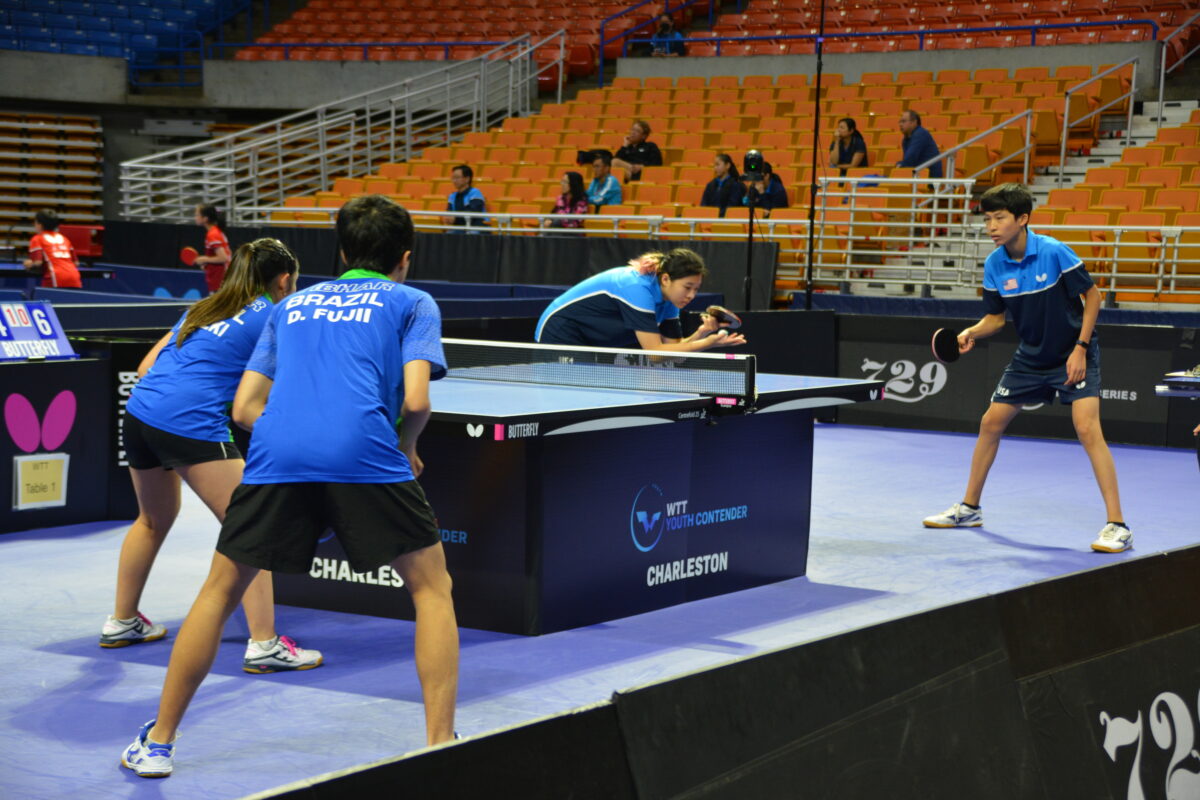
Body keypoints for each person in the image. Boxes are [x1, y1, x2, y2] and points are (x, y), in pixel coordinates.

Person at [120, 196, 458, 779]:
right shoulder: (413, 302)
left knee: (219, 590)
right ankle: (439, 743)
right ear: (404, 258)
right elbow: (418, 400)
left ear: (343, 252)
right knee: (431, 589)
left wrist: (298, 429)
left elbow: (245, 407)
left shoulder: (291, 305)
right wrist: (403, 449)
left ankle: (160, 742)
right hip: (366, 453)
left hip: (279, 453)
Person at [106, 237, 323, 674]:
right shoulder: (278, 314)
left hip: (141, 411)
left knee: (151, 519)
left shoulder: (204, 307)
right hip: (188, 421)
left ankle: (123, 621)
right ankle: (264, 645)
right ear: (284, 281)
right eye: (294, 282)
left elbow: (148, 367)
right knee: (253, 526)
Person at [922, 183, 1130, 553]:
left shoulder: (1053, 252)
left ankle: (1118, 525)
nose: (991, 226)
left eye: (999, 218)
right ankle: (969, 508)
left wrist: (1081, 348)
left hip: (1073, 351)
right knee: (991, 422)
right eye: (987, 219)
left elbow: (1093, 296)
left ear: (1022, 219)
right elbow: (995, 319)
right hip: (1030, 358)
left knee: (1087, 429)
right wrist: (971, 332)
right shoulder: (994, 264)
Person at [535, 248, 747, 352]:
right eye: (687, 287)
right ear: (666, 279)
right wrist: (706, 342)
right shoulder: (637, 288)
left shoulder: (670, 302)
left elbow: (672, 350)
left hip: (589, 338)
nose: (691, 296)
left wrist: (704, 334)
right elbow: (655, 353)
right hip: (560, 330)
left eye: (696, 289)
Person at [23, 209, 82, 288]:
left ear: (39, 224)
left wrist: (28, 264)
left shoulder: (37, 239)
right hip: (74, 279)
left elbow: (38, 263)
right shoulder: (64, 238)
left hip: (55, 279)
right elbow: (76, 263)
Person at [192, 204, 231, 295]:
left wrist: (204, 259)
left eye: (197, 215)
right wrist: (208, 263)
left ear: (205, 219)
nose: (195, 217)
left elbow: (223, 258)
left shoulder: (213, 234)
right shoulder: (216, 231)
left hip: (220, 279)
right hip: (220, 277)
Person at [897, 110, 943, 179]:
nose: (900, 124)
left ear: (914, 122)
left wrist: (900, 165)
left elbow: (910, 159)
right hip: (918, 174)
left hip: (930, 178)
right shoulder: (906, 139)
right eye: (900, 122)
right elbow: (907, 161)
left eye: (903, 121)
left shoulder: (920, 134)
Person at [444, 164, 487, 232]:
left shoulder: (475, 193)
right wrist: (448, 218)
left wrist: (455, 218)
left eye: (457, 178)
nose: (454, 181)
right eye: (453, 178)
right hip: (459, 227)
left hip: (476, 226)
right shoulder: (452, 196)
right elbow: (449, 211)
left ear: (467, 179)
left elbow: (473, 213)